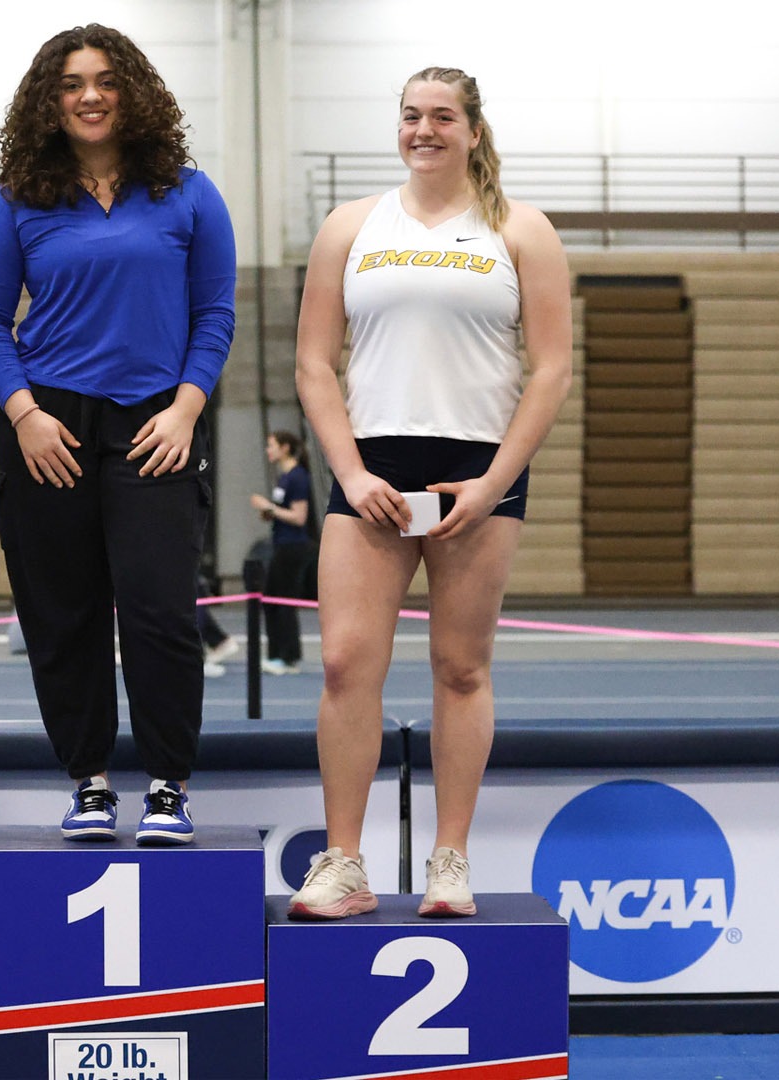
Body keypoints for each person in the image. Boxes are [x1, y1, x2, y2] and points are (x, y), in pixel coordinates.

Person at [286, 67, 571, 919]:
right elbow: (313, 363)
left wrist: (492, 484)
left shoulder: (521, 229)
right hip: (371, 471)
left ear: (473, 131)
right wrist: (351, 473)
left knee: (460, 668)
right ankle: (344, 863)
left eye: (442, 116)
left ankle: (450, 859)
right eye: (410, 115)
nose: (423, 129)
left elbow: (552, 368)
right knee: (345, 665)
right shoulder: (349, 227)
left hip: (475, 477)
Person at [0, 23, 236, 846]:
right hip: (47, 424)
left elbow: (215, 313)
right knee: (64, 615)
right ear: (50, 101)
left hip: (157, 420)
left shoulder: (189, 192)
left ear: (134, 92)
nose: (89, 94)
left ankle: (166, 785)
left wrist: (188, 407)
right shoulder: (19, 200)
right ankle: (88, 782)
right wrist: (26, 415)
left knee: (159, 609)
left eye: (106, 79)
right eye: (72, 82)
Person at [250, 429, 314, 675]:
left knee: (281, 600)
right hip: (282, 542)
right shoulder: (284, 477)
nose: (268, 451)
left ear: (285, 448)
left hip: (293, 546)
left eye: (272, 446)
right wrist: (270, 512)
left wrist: (269, 507)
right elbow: (282, 512)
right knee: (272, 600)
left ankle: (285, 657)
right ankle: (280, 654)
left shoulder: (297, 477)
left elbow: (299, 517)